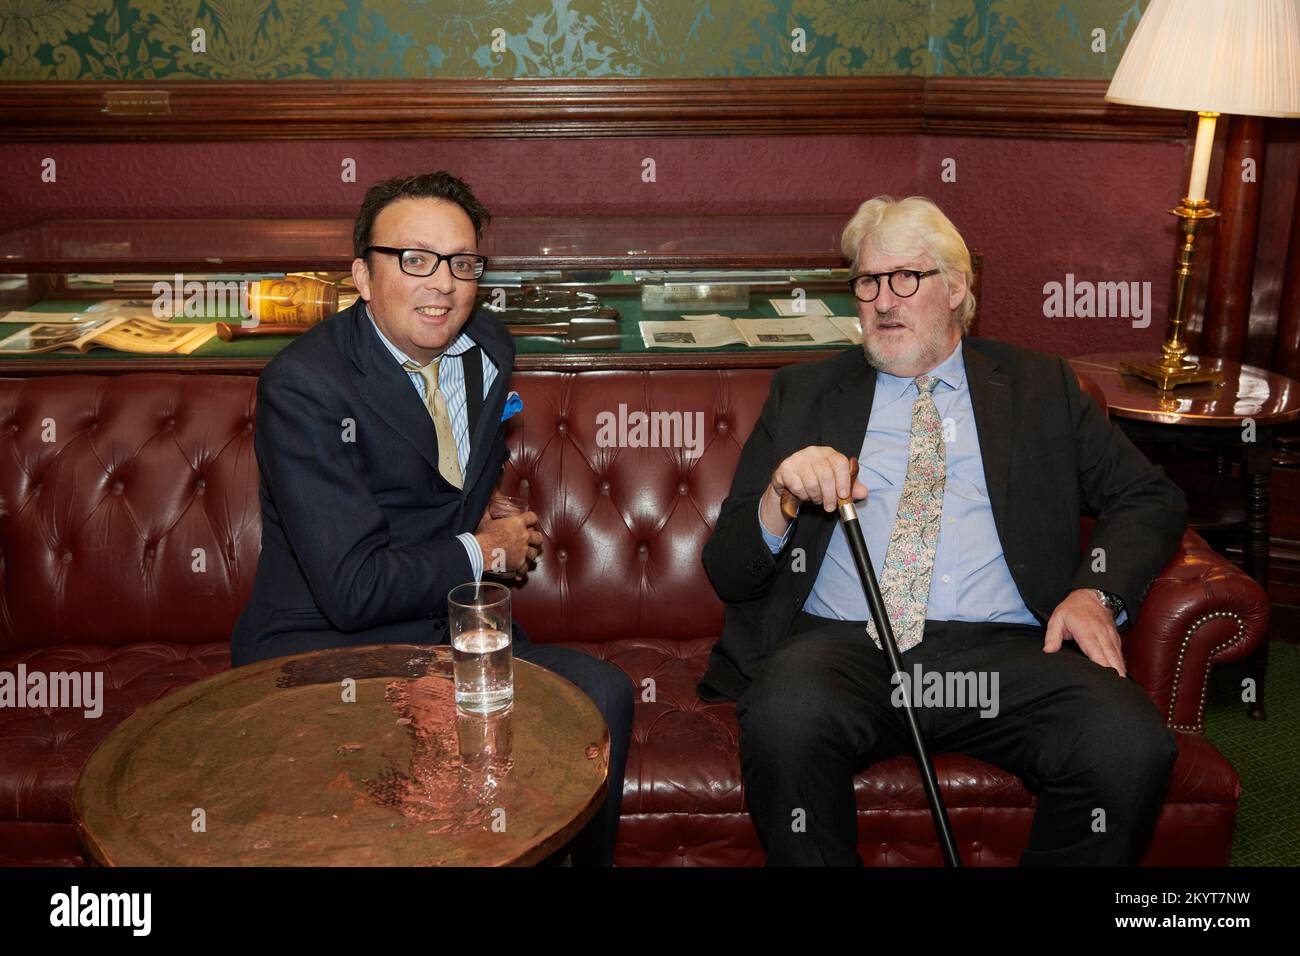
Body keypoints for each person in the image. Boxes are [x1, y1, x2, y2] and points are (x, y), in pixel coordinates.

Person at [699, 195, 1186, 866]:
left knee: (1126, 743)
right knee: (786, 718)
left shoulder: (1040, 386)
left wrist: (1095, 593)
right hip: (849, 649)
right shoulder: (805, 393)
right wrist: (780, 497)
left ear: (956, 288)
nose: (882, 300)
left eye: (906, 277)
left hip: (1010, 650)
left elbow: (1147, 496)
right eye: (867, 281)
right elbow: (727, 569)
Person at [231, 171, 633, 866]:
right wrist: (485, 549)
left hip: (448, 626)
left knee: (605, 693)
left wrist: (482, 505)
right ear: (362, 274)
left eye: (462, 263)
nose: (442, 284)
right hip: (321, 646)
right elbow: (352, 588)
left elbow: (436, 474)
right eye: (414, 259)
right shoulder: (305, 385)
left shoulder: (488, 350)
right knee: (433, 768)